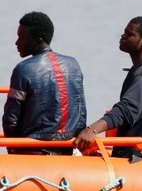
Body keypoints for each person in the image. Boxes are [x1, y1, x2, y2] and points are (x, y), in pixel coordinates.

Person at [75, 16, 142, 160]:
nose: (123, 36)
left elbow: (127, 110)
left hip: (140, 160)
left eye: (130, 34)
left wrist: (92, 129)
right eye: (124, 32)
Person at [3, 11, 86, 155]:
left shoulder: (23, 69)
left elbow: (11, 120)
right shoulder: (73, 65)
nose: (17, 42)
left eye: (21, 37)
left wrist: (14, 149)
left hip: (33, 152)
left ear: (38, 41)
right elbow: (81, 114)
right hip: (68, 151)